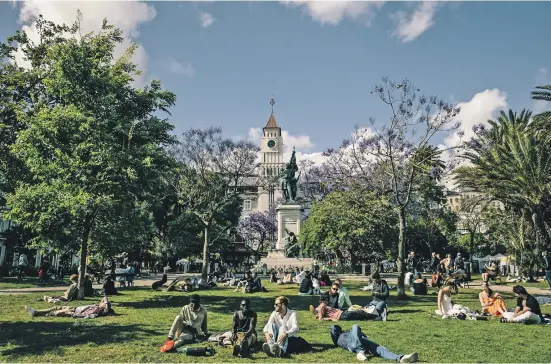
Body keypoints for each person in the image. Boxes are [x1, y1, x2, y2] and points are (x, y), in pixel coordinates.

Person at [329, 324, 418, 362]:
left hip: (364, 342)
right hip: (352, 344)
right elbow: (333, 328)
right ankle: (360, 352)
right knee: (355, 326)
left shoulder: (345, 335)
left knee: (381, 350)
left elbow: (363, 337)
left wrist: (376, 344)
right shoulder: (339, 339)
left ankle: (401, 358)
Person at [25, 296, 114, 319]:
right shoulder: (97, 306)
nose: (101, 301)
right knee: (55, 308)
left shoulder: (97, 309)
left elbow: (86, 314)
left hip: (73, 311)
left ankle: (36, 313)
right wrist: (105, 301)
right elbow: (105, 297)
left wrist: (74, 315)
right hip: (73, 308)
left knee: (54, 313)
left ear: (104, 306)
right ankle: (36, 312)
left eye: (102, 303)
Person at [311, 293, 377, 321]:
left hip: (343, 314)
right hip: (342, 315)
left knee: (360, 314)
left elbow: (321, 314)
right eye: (327, 300)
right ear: (324, 300)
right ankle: (377, 317)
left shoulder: (322, 306)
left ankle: (375, 316)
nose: (327, 301)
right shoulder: (322, 306)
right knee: (361, 313)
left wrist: (318, 315)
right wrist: (330, 319)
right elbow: (321, 318)